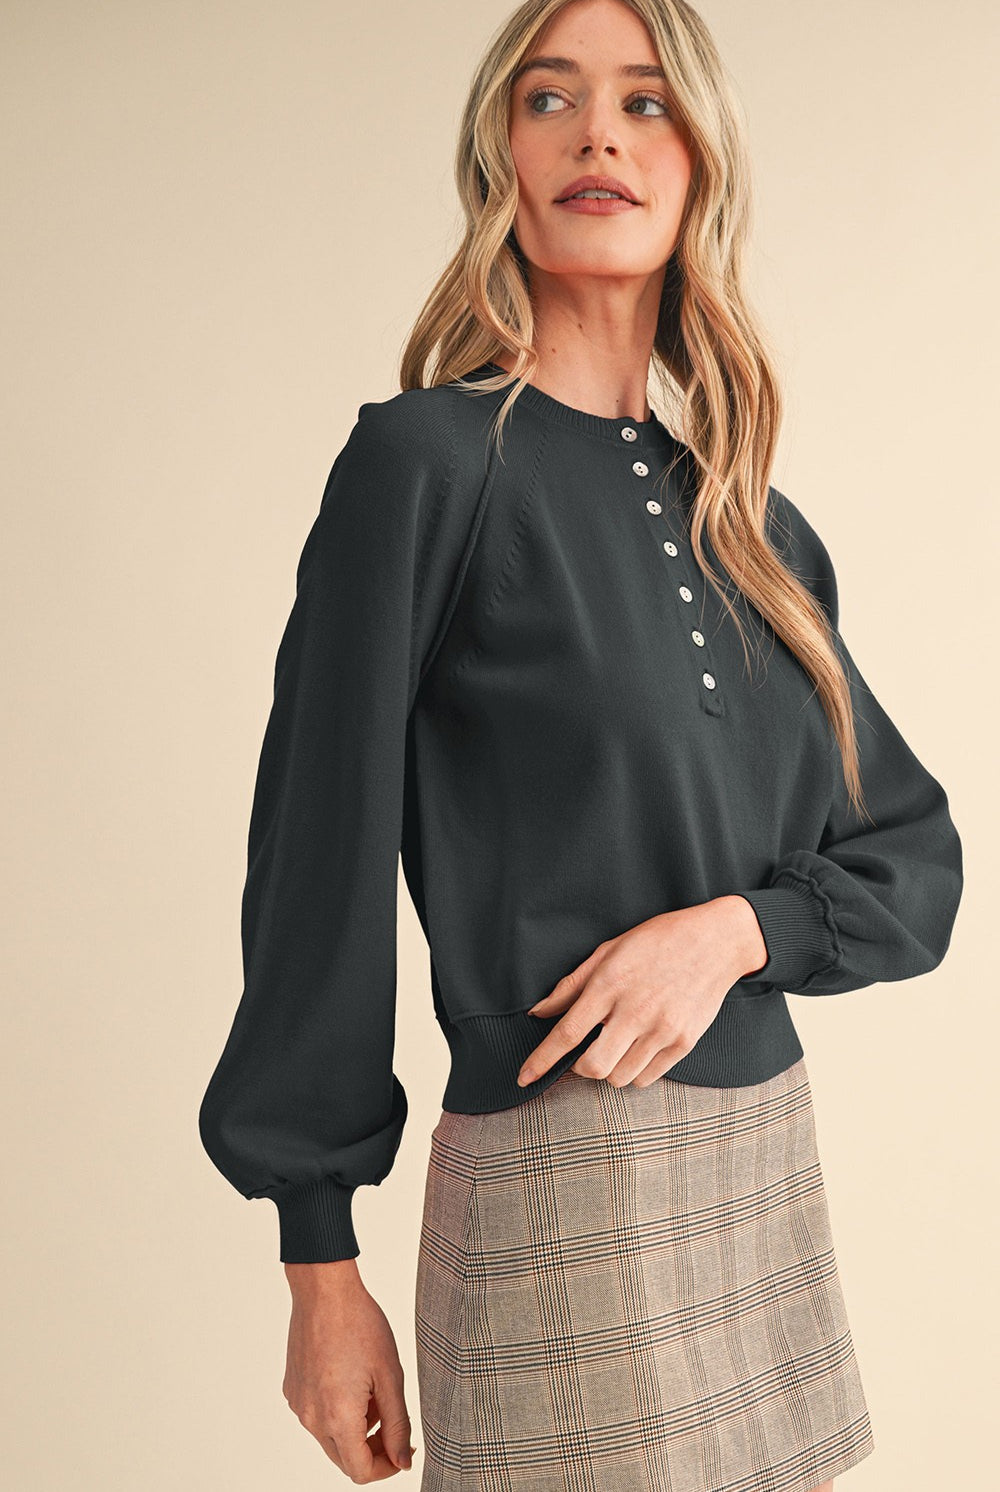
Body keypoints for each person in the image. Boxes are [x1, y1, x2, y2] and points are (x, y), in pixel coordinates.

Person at [198, 0, 964, 1486]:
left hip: (763, 1186)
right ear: (501, 154)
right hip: (560, 1189)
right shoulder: (424, 468)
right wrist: (318, 1259)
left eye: (645, 102)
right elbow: (316, 860)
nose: (598, 134)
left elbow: (911, 864)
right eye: (550, 99)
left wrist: (730, 934)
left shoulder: (757, 531)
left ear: (701, 163)